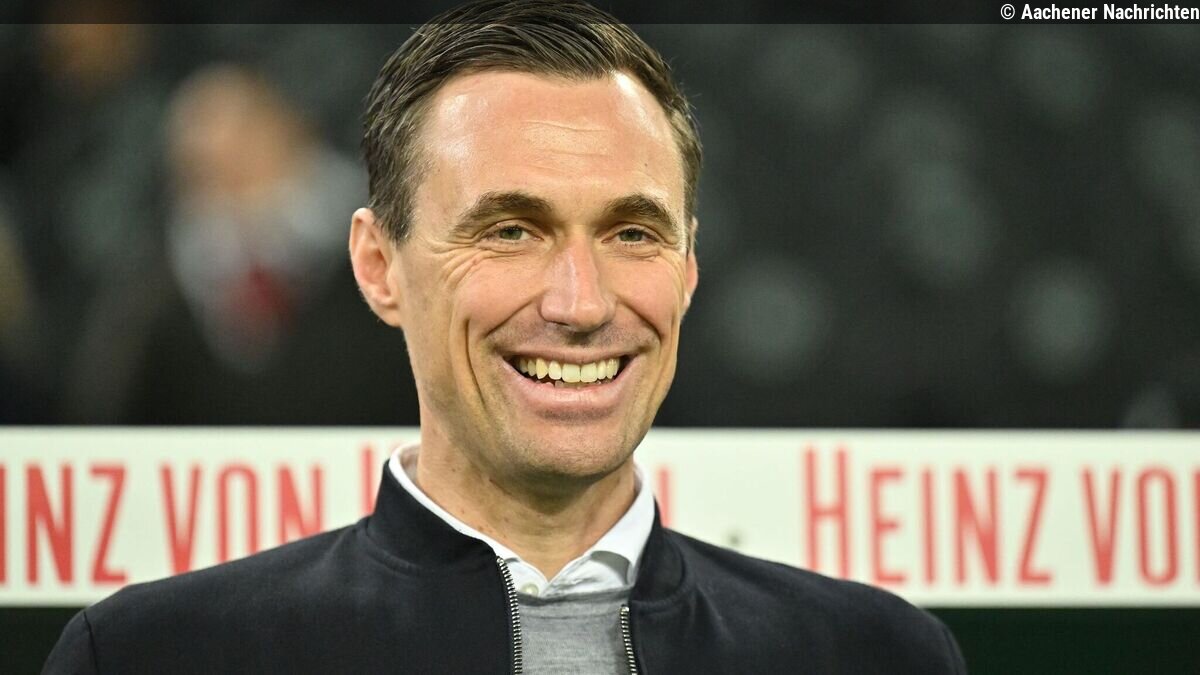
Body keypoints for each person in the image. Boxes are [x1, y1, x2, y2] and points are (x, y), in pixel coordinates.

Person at [44, 1, 967, 672]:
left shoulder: (880, 656)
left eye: (632, 233)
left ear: (688, 268)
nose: (580, 302)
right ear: (378, 267)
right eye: (511, 230)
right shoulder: (147, 655)